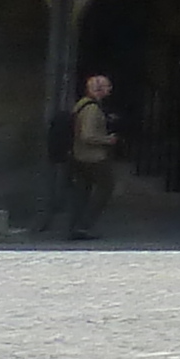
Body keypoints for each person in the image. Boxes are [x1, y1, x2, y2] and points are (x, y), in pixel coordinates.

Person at [60, 73, 121, 240]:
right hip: (92, 157)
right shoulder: (92, 109)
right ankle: (84, 225)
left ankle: (76, 226)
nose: (110, 90)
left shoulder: (81, 105)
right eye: (107, 86)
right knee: (105, 187)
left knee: (82, 192)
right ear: (98, 90)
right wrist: (107, 140)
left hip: (78, 155)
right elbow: (87, 135)